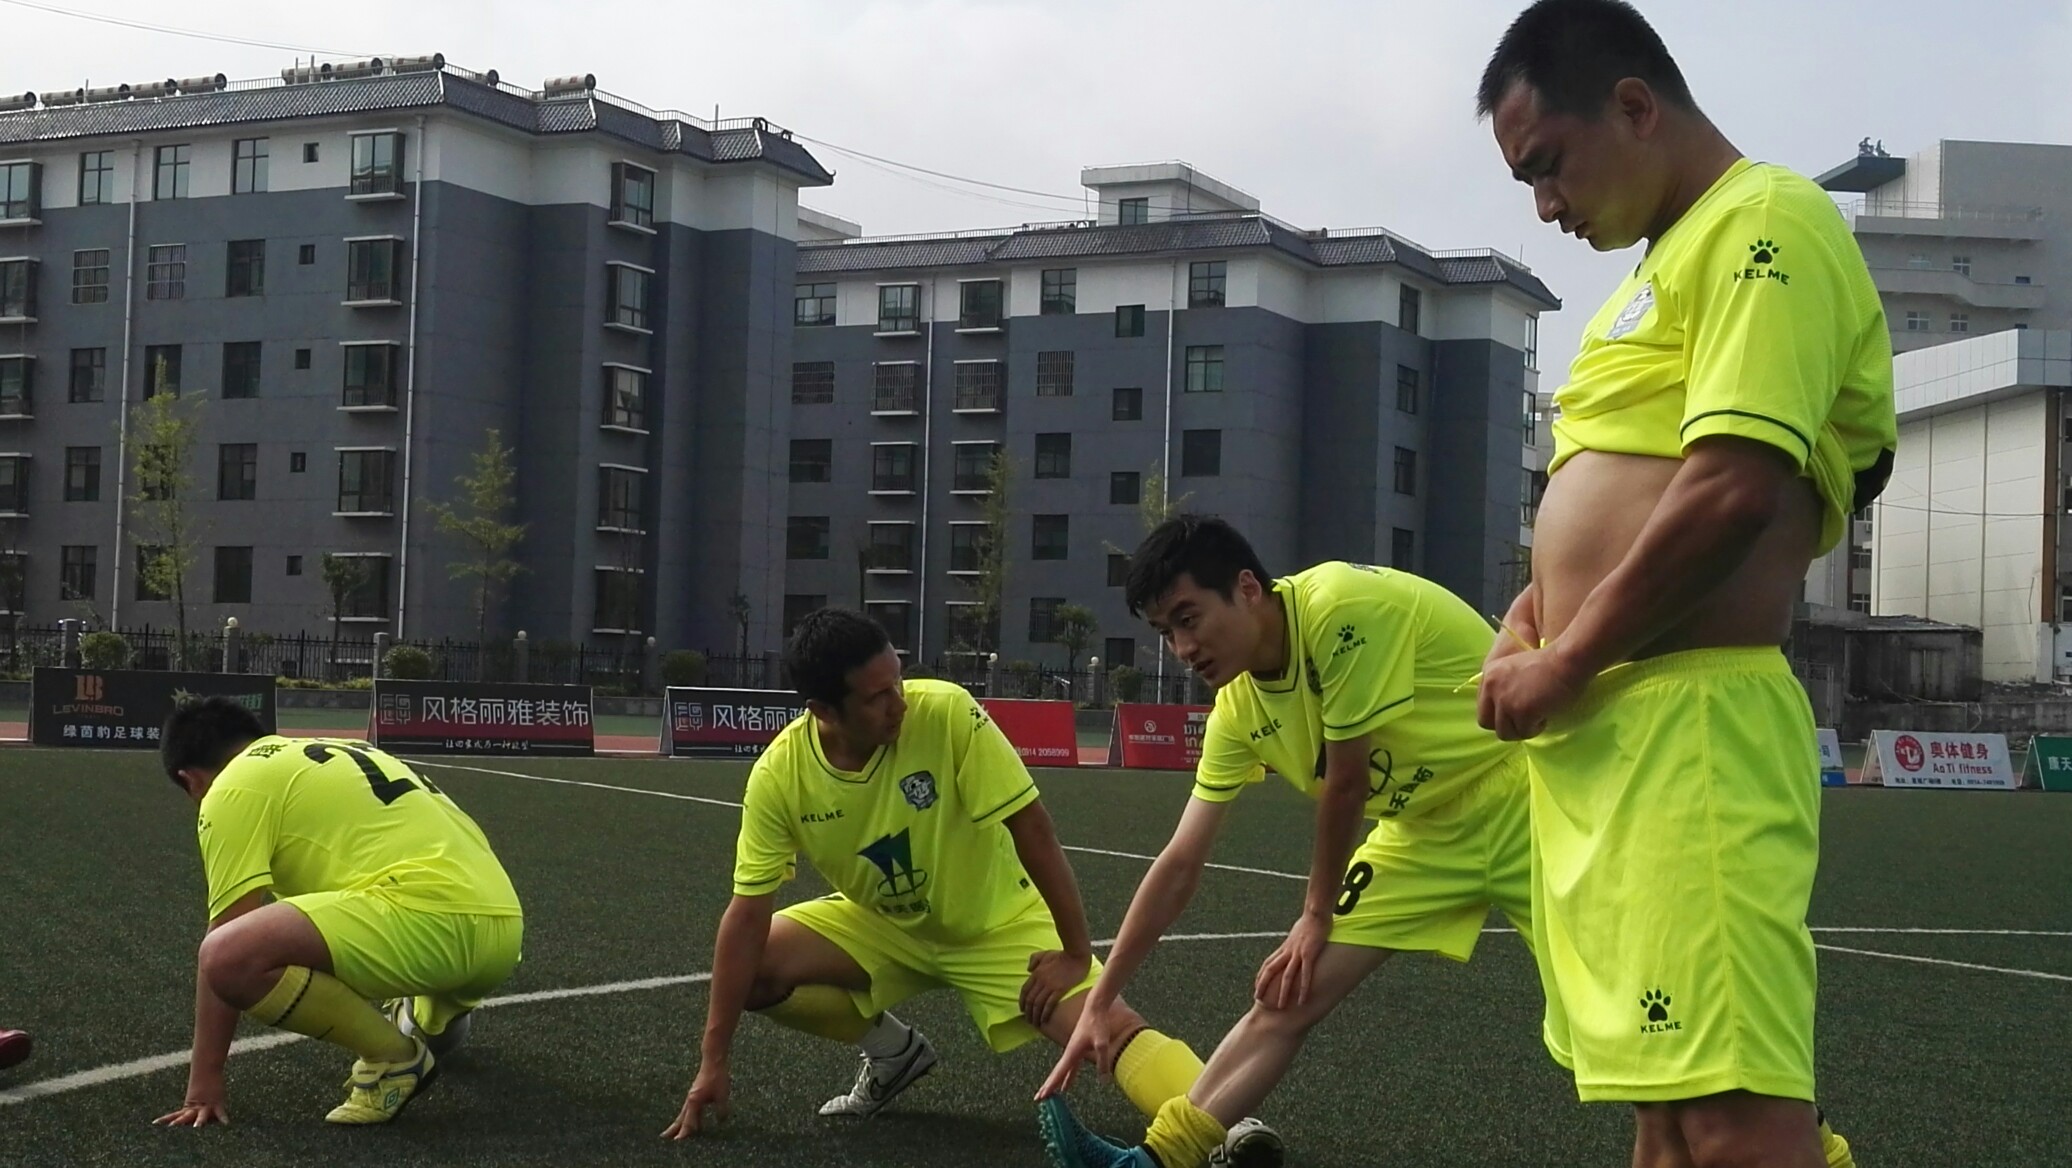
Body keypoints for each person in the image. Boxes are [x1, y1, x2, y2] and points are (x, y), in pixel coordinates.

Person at [1475, 2, 1894, 1165]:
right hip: (1617, 742)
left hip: (1692, 732)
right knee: (1664, 1115)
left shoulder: (1766, 220)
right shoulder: (1645, 280)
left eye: (1546, 166)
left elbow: (1732, 488)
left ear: (1633, 106)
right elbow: (1605, 487)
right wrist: (1526, 619)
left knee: (1727, 1118)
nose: (1544, 205)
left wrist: (1566, 656)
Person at [662, 607, 1276, 1164]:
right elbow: (745, 916)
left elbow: (1033, 829)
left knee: (1105, 1029)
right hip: (881, 924)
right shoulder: (779, 775)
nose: (899, 704)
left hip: (996, 923)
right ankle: (893, 1052)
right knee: (754, 966)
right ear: (824, 710)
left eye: (898, 682)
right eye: (877, 697)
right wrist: (713, 1061)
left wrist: (1072, 950)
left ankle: (1223, 1120)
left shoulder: (947, 712)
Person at [1033, 518, 1536, 1168]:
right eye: (1165, 632)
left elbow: (1347, 782)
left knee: (1617, 1013)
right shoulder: (1237, 708)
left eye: (1188, 618)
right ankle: (1154, 1162)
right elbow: (1180, 862)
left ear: (1247, 588)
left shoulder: (1339, 611)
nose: (1182, 648)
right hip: (1424, 832)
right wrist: (1099, 1002)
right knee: (1287, 993)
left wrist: (1315, 915)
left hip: (1526, 795)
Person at [153, 697, 524, 1127]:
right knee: (431, 1028)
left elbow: (225, 938)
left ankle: (393, 1059)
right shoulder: (339, 750)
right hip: (502, 931)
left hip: (428, 922)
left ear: (191, 780)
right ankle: (429, 1020)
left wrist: (203, 1084)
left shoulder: (233, 786)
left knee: (227, 956)